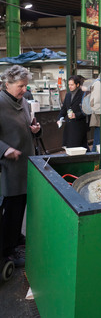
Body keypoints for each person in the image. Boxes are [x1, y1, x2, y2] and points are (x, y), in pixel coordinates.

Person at [0, 65, 41, 267]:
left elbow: (26, 126)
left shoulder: (23, 102)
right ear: (7, 84)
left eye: (25, 85)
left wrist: (35, 129)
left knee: (21, 205)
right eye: (20, 86)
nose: (24, 89)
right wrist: (4, 149)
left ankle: (15, 238)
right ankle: (7, 251)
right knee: (11, 209)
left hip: (25, 163)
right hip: (8, 168)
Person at [57, 75, 88, 149]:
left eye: (72, 85)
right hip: (69, 126)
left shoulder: (83, 95)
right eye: (69, 85)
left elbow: (86, 111)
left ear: (77, 85)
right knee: (70, 147)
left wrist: (76, 115)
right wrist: (59, 118)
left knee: (79, 147)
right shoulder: (68, 95)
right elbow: (64, 109)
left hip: (79, 126)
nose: (70, 86)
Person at [88, 75, 101, 152]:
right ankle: (94, 157)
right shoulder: (98, 83)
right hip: (99, 116)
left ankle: (94, 154)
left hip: (99, 115)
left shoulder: (98, 83)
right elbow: (97, 100)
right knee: (98, 141)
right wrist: (99, 112)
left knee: (98, 139)